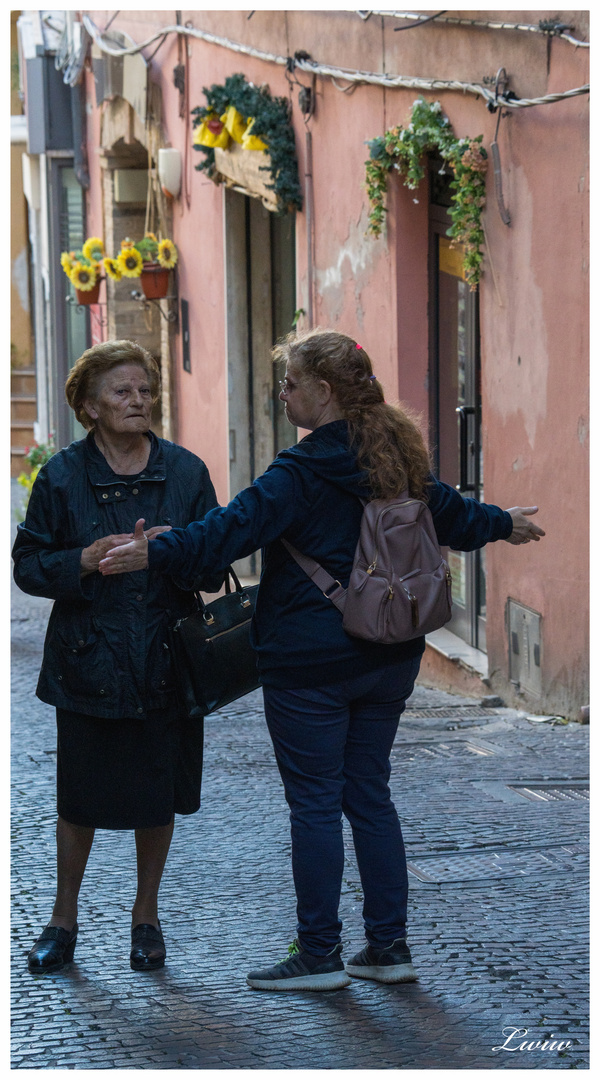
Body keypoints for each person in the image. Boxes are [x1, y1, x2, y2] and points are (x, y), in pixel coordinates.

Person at [99, 328, 545, 992]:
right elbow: (452, 516)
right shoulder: (396, 454)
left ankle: (318, 954)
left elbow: (229, 532)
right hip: (391, 656)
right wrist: (504, 522)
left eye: (291, 384)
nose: (283, 395)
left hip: (310, 662)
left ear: (324, 392)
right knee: (369, 795)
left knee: (313, 803)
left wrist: (153, 551)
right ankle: (389, 948)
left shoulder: (301, 471)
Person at [13, 340, 222, 975]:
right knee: (80, 799)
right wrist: (80, 559)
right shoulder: (62, 477)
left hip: (165, 659)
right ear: (88, 406)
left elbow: (215, 565)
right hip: (89, 664)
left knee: (155, 799)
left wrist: (175, 549)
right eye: (122, 392)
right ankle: (62, 918)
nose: (138, 401)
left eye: (144, 391)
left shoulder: (185, 473)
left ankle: (145, 917)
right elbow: (26, 565)